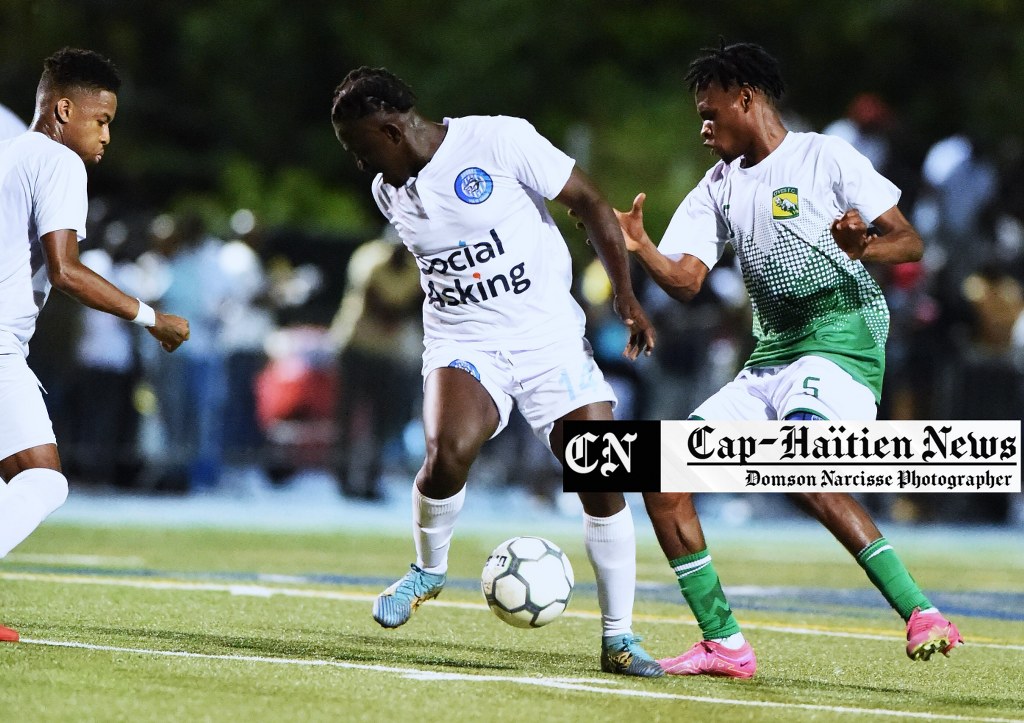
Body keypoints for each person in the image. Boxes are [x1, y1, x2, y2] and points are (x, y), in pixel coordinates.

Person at [617, 41, 963, 677]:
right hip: (770, 360)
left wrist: (862, 248)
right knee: (661, 480)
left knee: (799, 467)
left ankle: (922, 612)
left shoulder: (824, 156)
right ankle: (724, 645)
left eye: (709, 112)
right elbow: (689, 281)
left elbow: (908, 239)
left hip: (841, 346)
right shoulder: (717, 186)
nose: (702, 128)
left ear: (745, 99)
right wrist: (641, 246)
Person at [331, 66, 661, 677]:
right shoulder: (389, 188)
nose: (360, 165)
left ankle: (619, 639)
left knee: (604, 477)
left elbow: (589, 203)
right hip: (466, 341)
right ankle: (428, 571)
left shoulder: (499, 140)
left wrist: (626, 296)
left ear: (391, 130)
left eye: (360, 148)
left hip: (549, 343)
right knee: (447, 449)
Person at [0, 48, 190, 642]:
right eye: (101, 119)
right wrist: (152, 317)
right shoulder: (58, 161)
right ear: (63, 109)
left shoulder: (9, 154)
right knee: (43, 481)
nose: (107, 135)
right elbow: (66, 271)